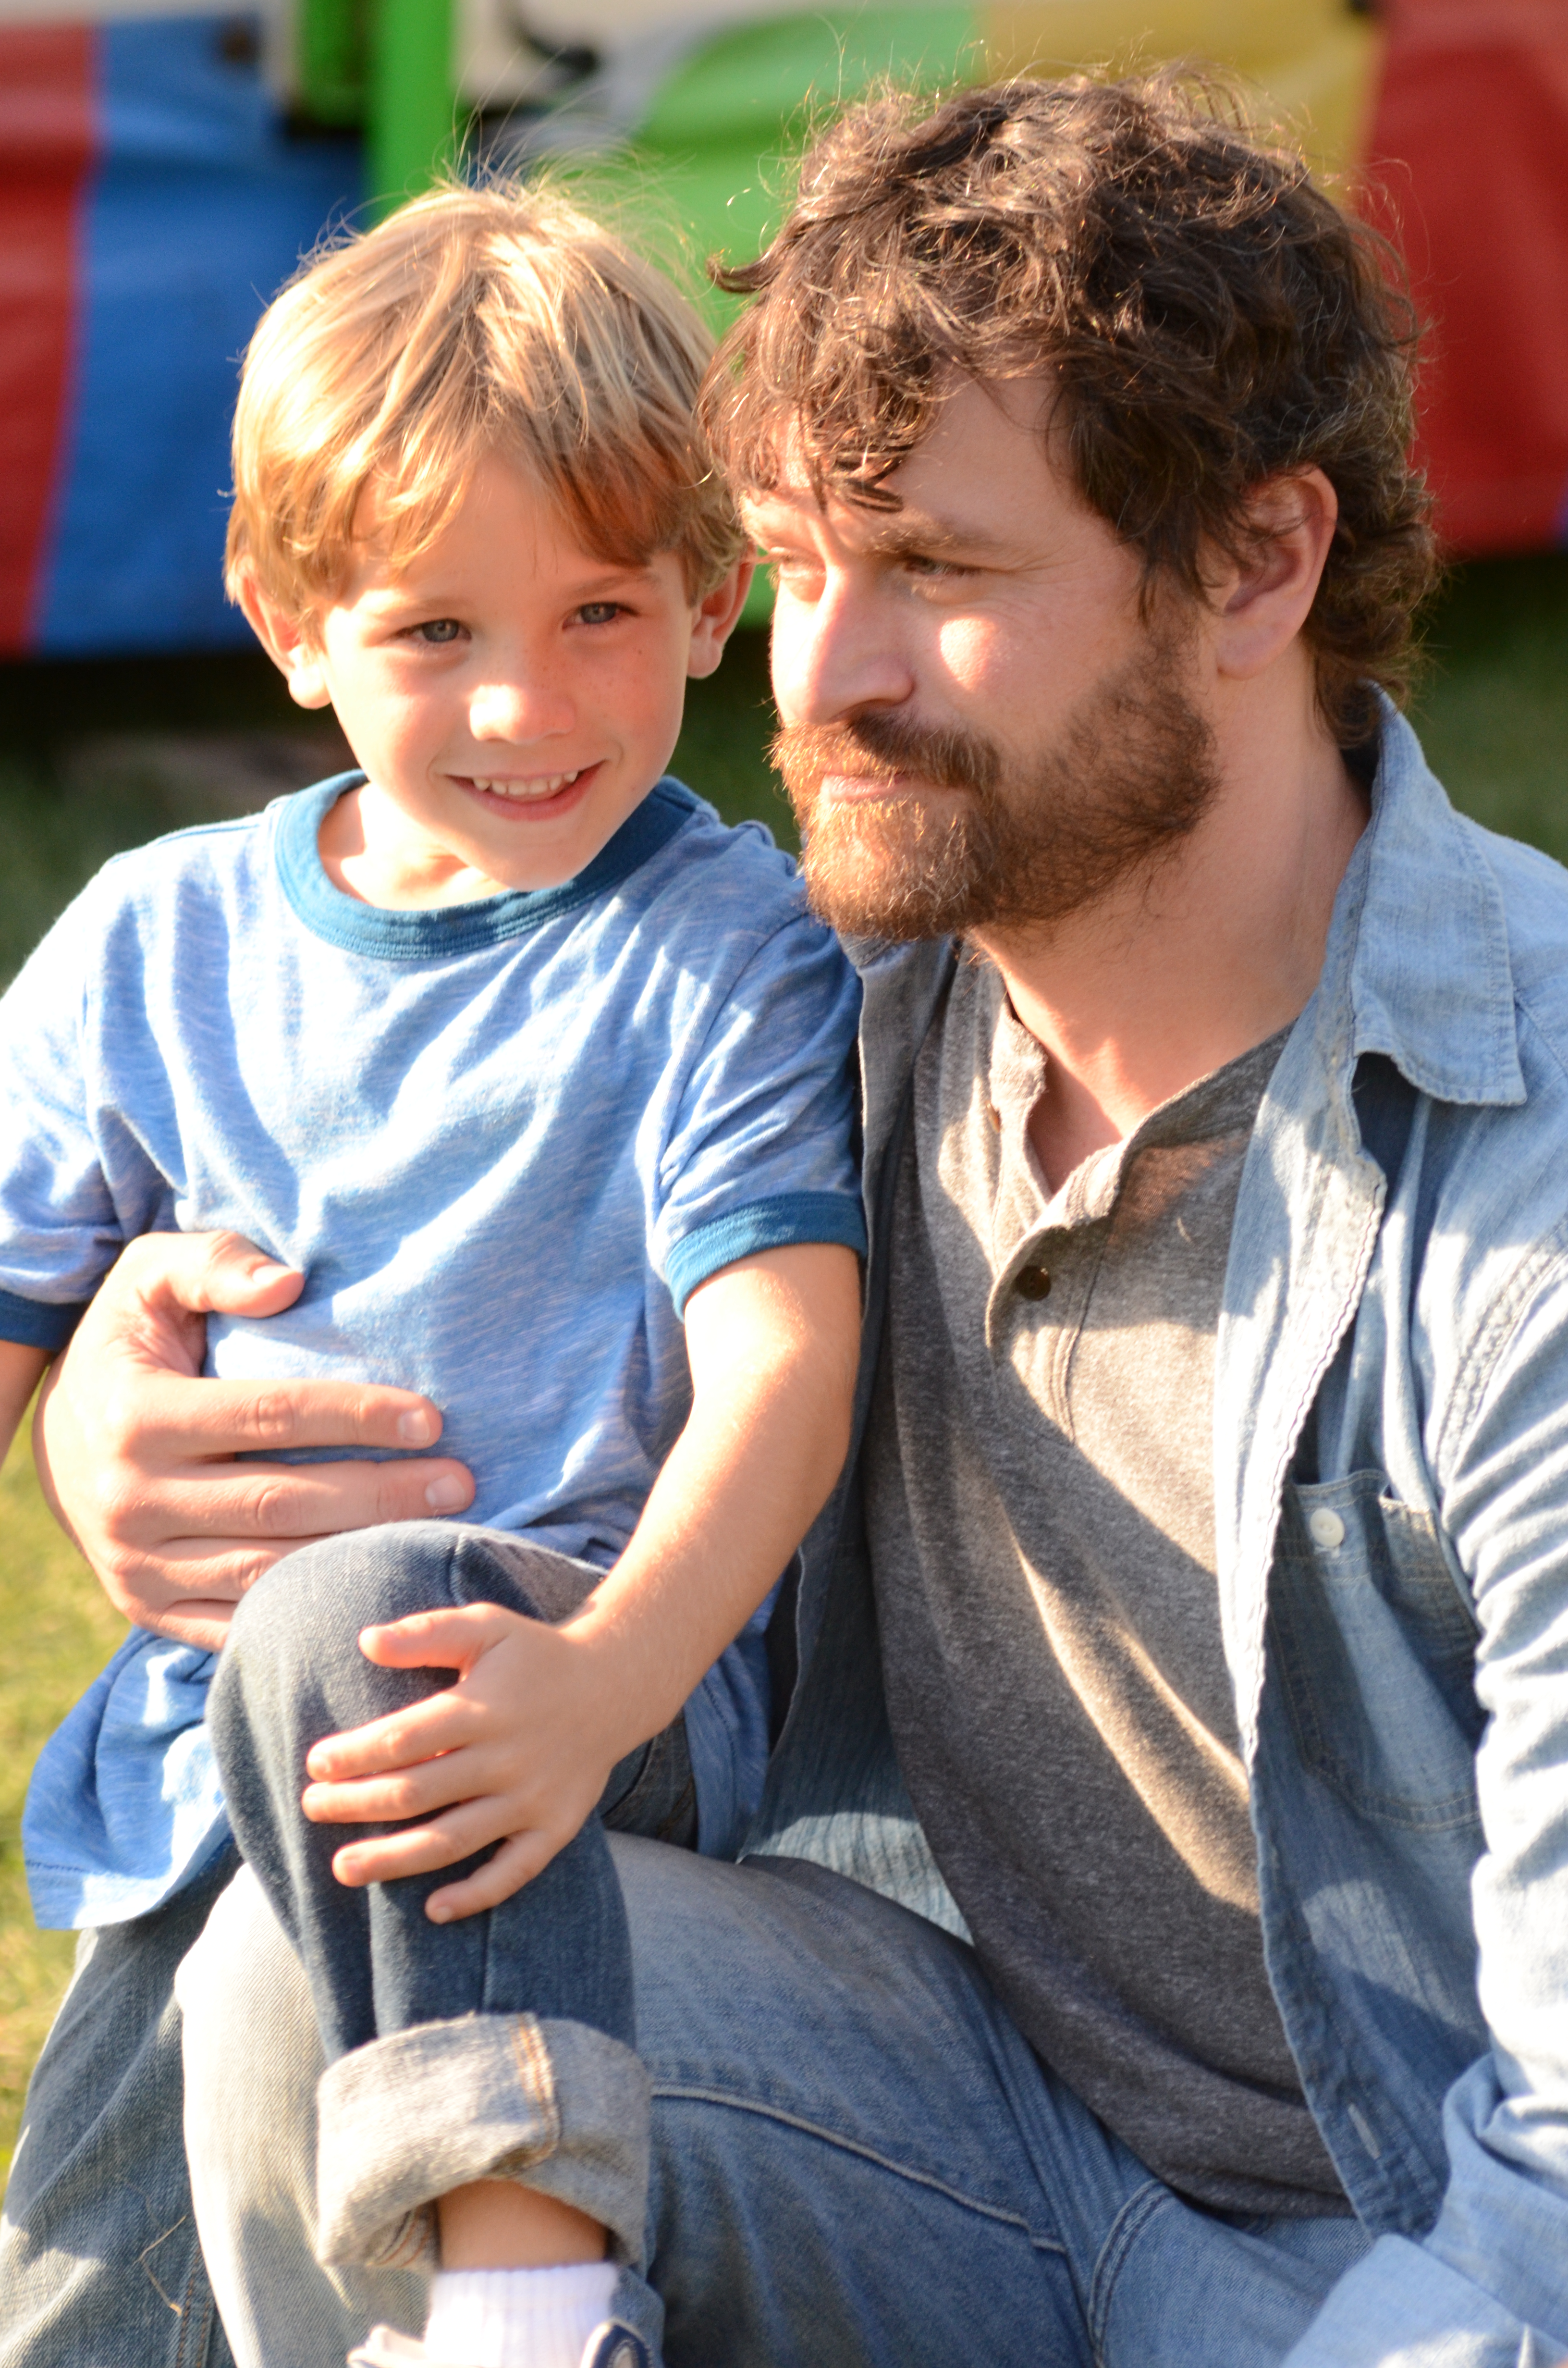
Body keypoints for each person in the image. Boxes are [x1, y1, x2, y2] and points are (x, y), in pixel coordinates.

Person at [20, 65, 1568, 2368]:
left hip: (1401, 2252)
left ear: (1259, 561)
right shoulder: (815, 991)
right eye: (801, 562)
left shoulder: (1520, 1178)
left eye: (936, 572)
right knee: (321, 1947)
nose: (817, 679)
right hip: (960, 2110)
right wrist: (112, 1434)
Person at [0, 181, 867, 2368]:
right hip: (218, 1760)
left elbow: (788, 1365)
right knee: (83, 2304)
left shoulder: (728, 953)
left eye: (597, 609)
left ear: (707, 594)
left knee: (367, 1619)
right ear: (289, 621)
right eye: (429, 633)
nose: (523, 702)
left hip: (586, 1685)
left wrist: (615, 1678)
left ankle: (530, 2298)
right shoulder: (153, 941)